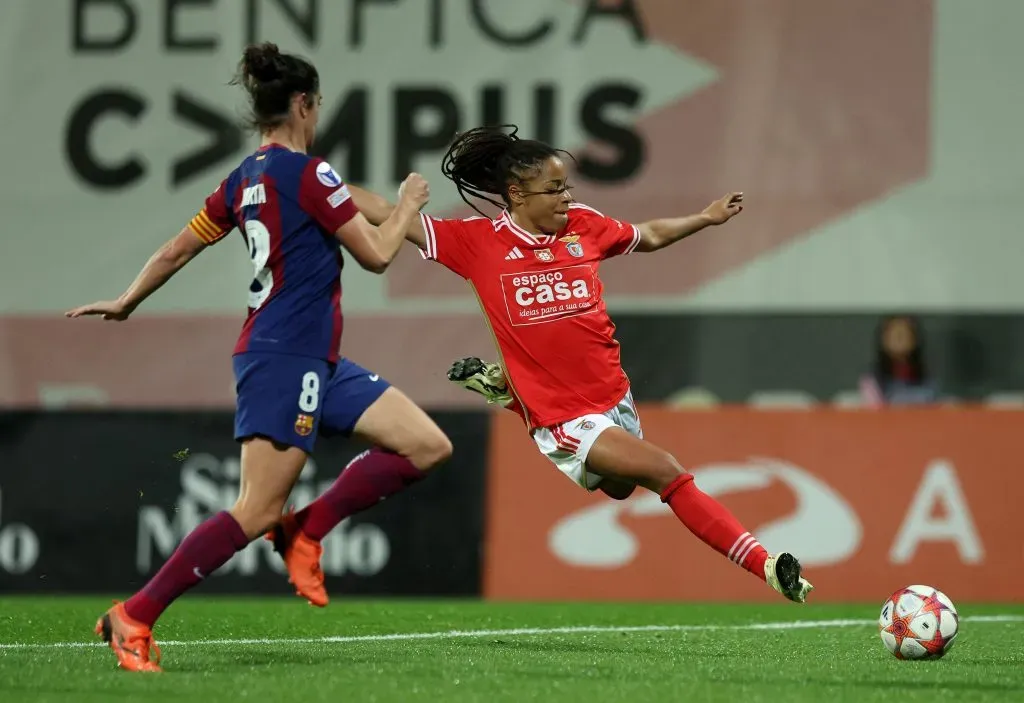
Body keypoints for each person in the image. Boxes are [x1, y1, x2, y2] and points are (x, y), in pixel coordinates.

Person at [65, 43, 452, 672]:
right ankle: (133, 616)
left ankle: (306, 530)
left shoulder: (243, 178)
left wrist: (127, 299)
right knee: (254, 509)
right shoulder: (312, 174)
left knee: (426, 444)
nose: (317, 113)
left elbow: (175, 249)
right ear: (303, 104)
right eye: (317, 104)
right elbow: (379, 255)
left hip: (314, 358)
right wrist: (407, 202)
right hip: (282, 356)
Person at [354, 125, 814, 603]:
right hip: (563, 416)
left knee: (618, 490)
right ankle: (766, 564)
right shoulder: (475, 243)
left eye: (567, 186)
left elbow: (649, 235)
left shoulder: (583, 225)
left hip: (614, 396)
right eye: (554, 189)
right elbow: (388, 214)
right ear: (517, 194)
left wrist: (705, 217)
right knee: (665, 470)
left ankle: (509, 393)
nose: (566, 197)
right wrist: (314, 179)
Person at [859, 314, 939, 406]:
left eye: (903, 333)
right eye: (893, 334)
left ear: (914, 339)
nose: (898, 338)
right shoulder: (872, 382)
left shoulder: (929, 381)